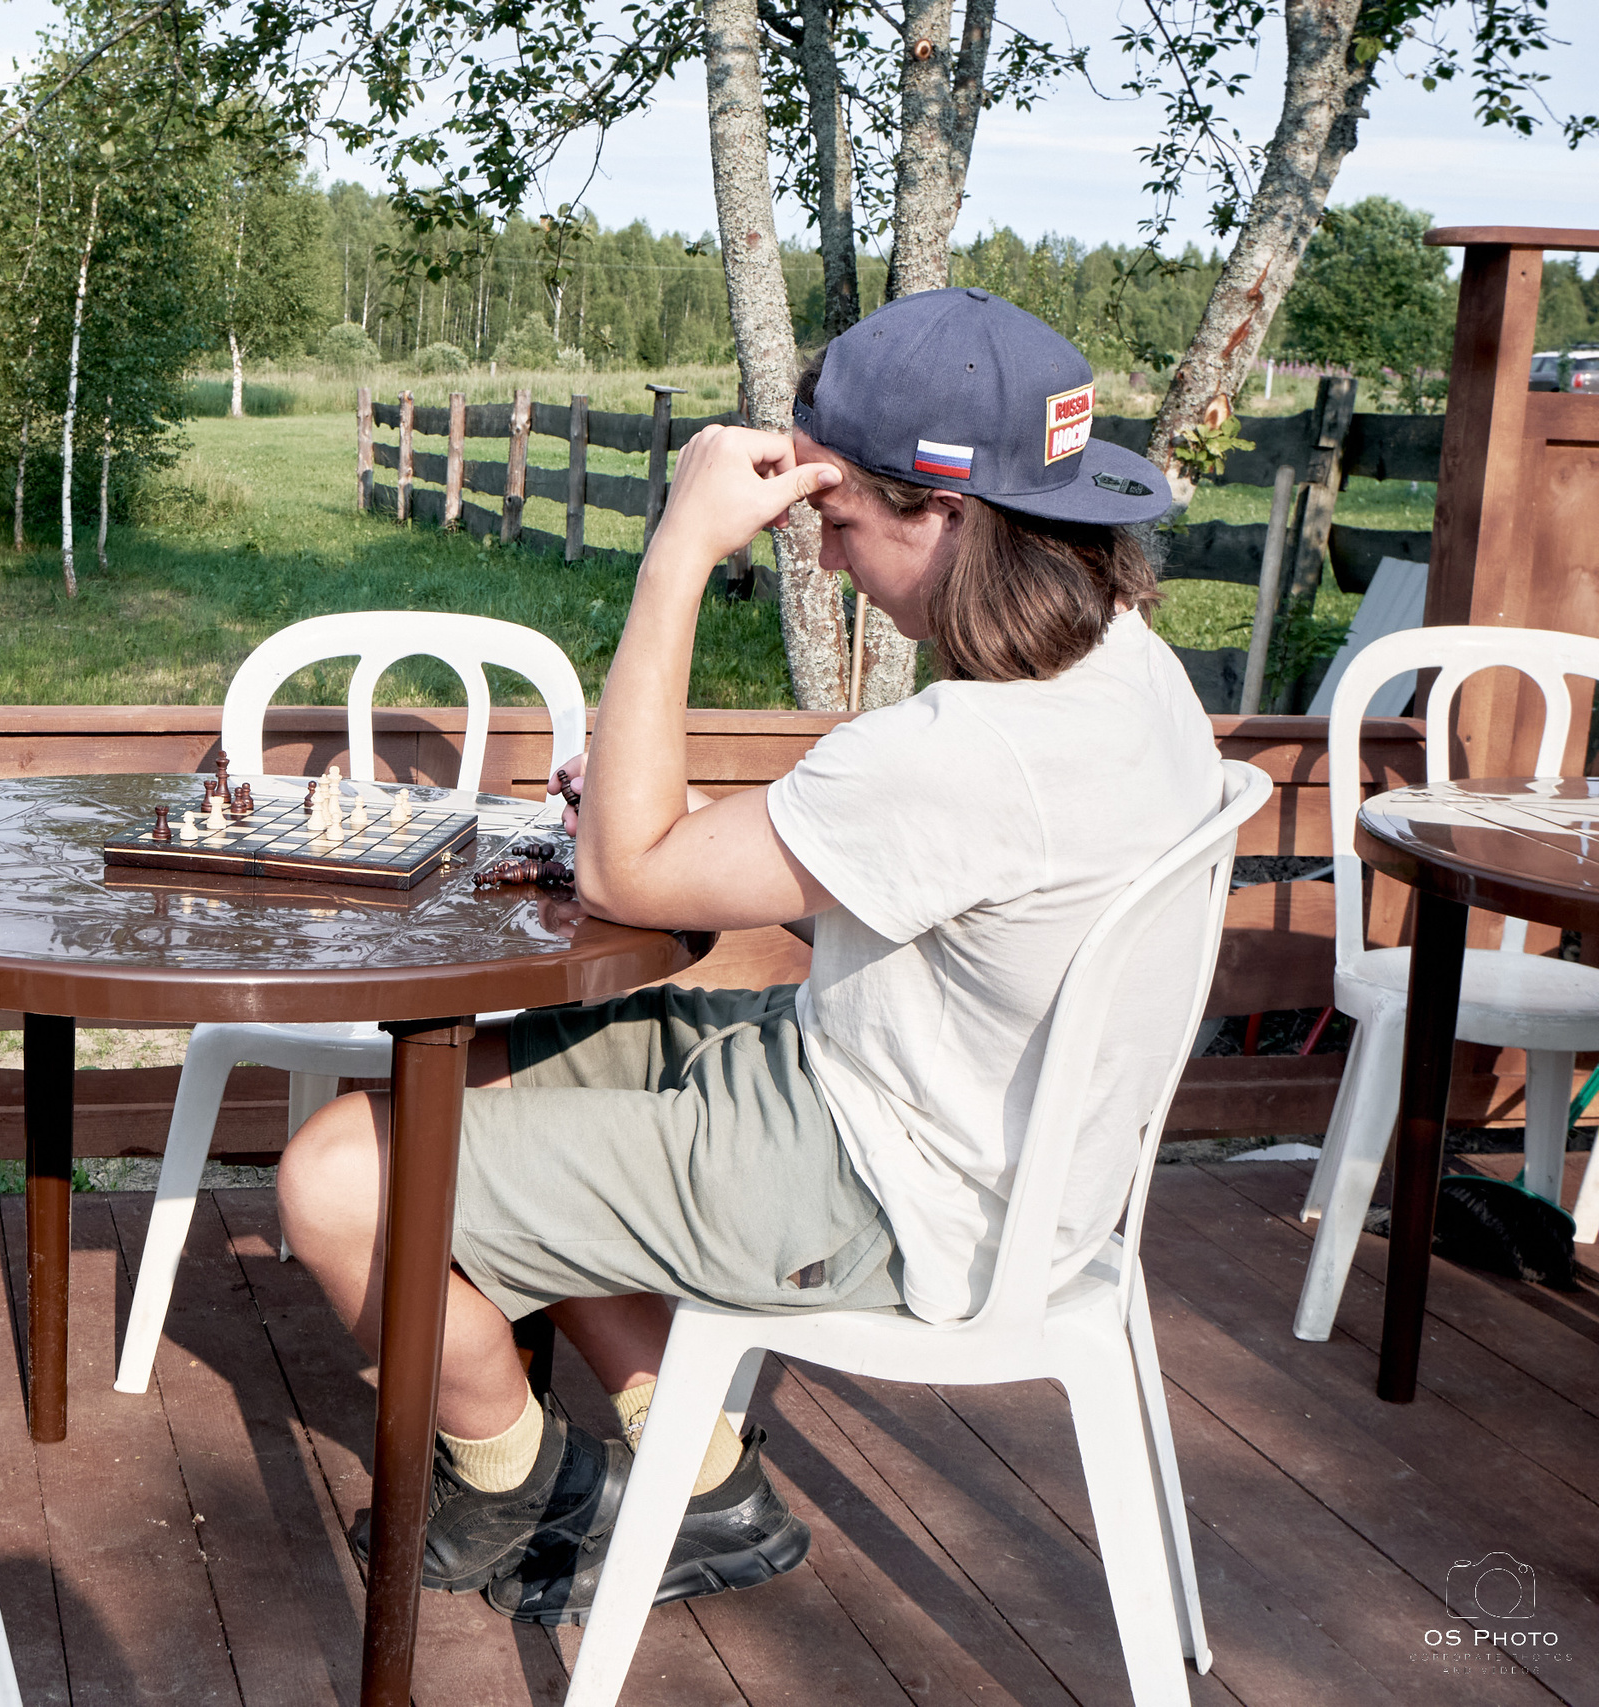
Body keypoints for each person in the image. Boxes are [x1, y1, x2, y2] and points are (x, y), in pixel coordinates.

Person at [276, 287, 1218, 1624]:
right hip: (950, 1126)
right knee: (480, 1097)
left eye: (838, 523)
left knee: (334, 1182)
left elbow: (626, 873)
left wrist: (675, 552)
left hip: (887, 1186)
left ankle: (523, 1479)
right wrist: (656, 814)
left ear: (944, 514)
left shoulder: (969, 749)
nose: (827, 562)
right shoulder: (1127, 669)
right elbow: (852, 832)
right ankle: (703, 1474)